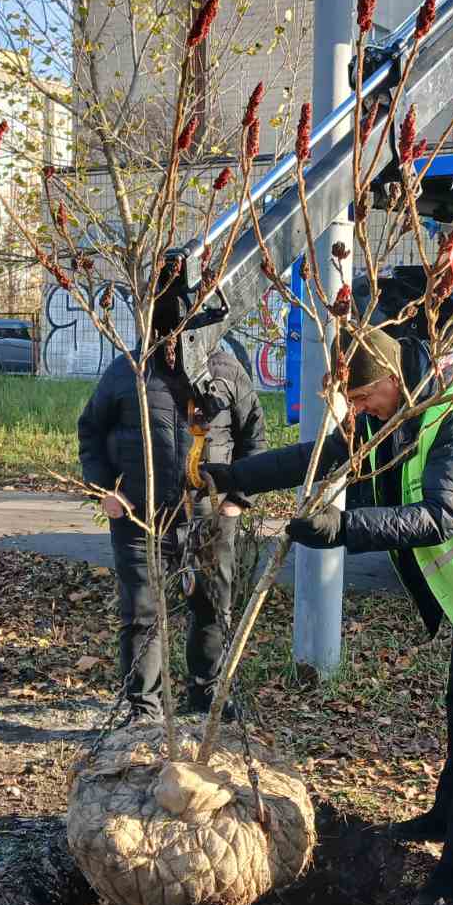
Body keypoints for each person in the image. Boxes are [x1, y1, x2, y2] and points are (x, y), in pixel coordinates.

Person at [202, 327, 453, 905]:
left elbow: (440, 516)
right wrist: (234, 479)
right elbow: (322, 457)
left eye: (360, 399)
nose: (355, 412)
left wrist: (343, 531)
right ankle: (444, 817)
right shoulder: (394, 420)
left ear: (391, 380)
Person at [76, 277, 266, 724]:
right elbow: (91, 429)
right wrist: (106, 490)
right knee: (142, 614)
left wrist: (235, 500)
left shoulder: (225, 370)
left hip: (208, 517)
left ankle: (206, 698)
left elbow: (253, 435)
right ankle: (144, 709)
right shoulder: (130, 370)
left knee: (211, 608)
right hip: (140, 518)